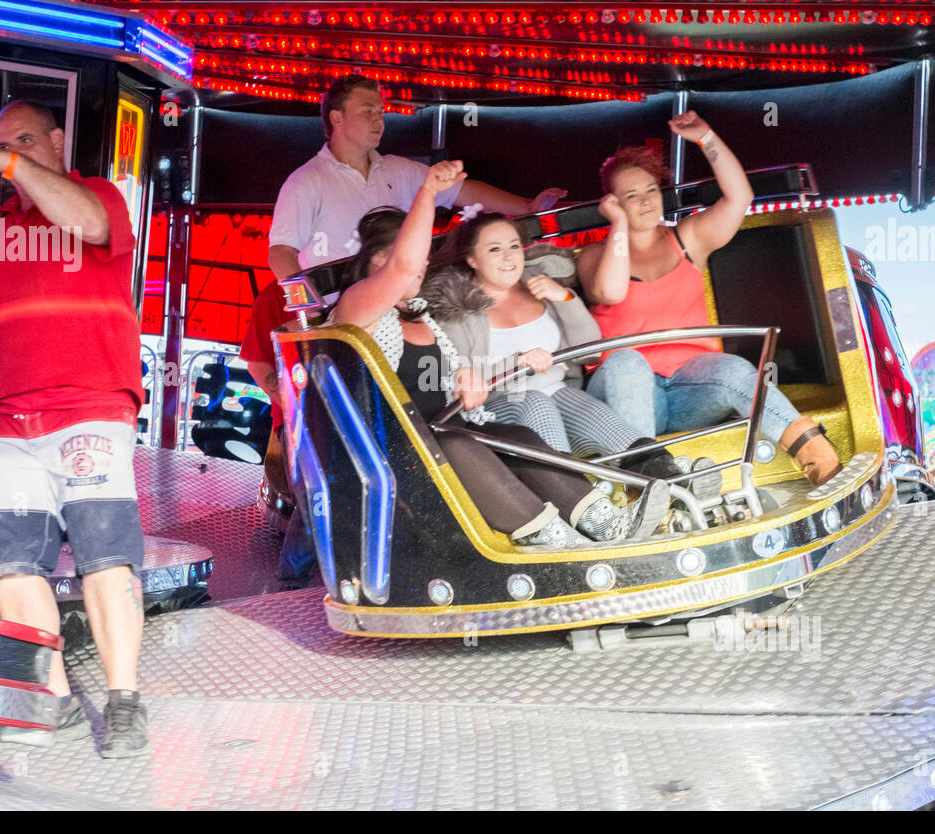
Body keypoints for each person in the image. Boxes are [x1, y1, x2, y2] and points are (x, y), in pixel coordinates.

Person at [0, 100, 148, 757]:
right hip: (2, 418)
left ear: (56, 141)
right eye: (1, 145)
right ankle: (51, 697)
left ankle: (124, 699)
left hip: (91, 406)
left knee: (105, 558)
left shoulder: (99, 197)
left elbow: (81, 217)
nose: (7, 155)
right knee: (8, 566)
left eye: (23, 142)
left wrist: (11, 163)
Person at [330, 162, 670, 546]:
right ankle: (555, 538)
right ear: (372, 264)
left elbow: (440, 377)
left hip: (450, 425)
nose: (412, 271)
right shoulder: (358, 309)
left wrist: (463, 376)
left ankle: (606, 522)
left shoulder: (423, 313)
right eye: (392, 263)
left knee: (515, 435)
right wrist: (428, 192)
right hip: (395, 447)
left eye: (421, 263)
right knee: (460, 442)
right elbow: (401, 267)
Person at [579, 113, 841, 486]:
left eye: (651, 190)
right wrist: (619, 225)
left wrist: (706, 138)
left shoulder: (686, 238)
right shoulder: (595, 254)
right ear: (612, 202)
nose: (644, 202)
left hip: (688, 390)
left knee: (735, 369)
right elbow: (610, 292)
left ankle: (820, 461)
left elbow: (740, 197)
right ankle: (647, 485)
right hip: (627, 396)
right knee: (627, 362)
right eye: (630, 196)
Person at [420, 211, 685, 482]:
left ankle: (671, 479)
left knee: (594, 416)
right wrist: (517, 362)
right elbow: (456, 385)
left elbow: (590, 351)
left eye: (514, 246)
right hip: (499, 406)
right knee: (536, 402)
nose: (509, 256)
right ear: (472, 259)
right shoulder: (455, 310)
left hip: (560, 393)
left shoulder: (541, 284)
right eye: (495, 249)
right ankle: (581, 500)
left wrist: (565, 298)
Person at [266, 75, 567, 279]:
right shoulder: (306, 181)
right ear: (336, 118)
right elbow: (281, 252)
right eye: (367, 111)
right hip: (341, 315)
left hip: (401, 299)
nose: (378, 120)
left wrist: (529, 207)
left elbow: (462, 190)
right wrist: (311, 311)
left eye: (381, 112)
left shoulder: (400, 169)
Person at [239, 278, 316, 587]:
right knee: (315, 495)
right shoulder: (278, 293)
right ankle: (290, 583)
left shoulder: (366, 285)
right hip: (300, 418)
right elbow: (257, 362)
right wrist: (295, 406)